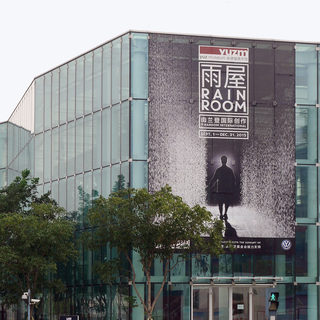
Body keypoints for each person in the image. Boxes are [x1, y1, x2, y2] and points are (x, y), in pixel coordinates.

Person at [210, 155, 236, 220]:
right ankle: (225, 213)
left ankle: (221, 214)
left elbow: (214, 179)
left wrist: (210, 186)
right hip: (227, 189)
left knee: (220, 202)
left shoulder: (218, 170)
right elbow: (233, 179)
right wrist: (233, 187)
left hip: (220, 188)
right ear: (226, 161)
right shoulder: (229, 170)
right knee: (227, 202)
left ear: (221, 161)